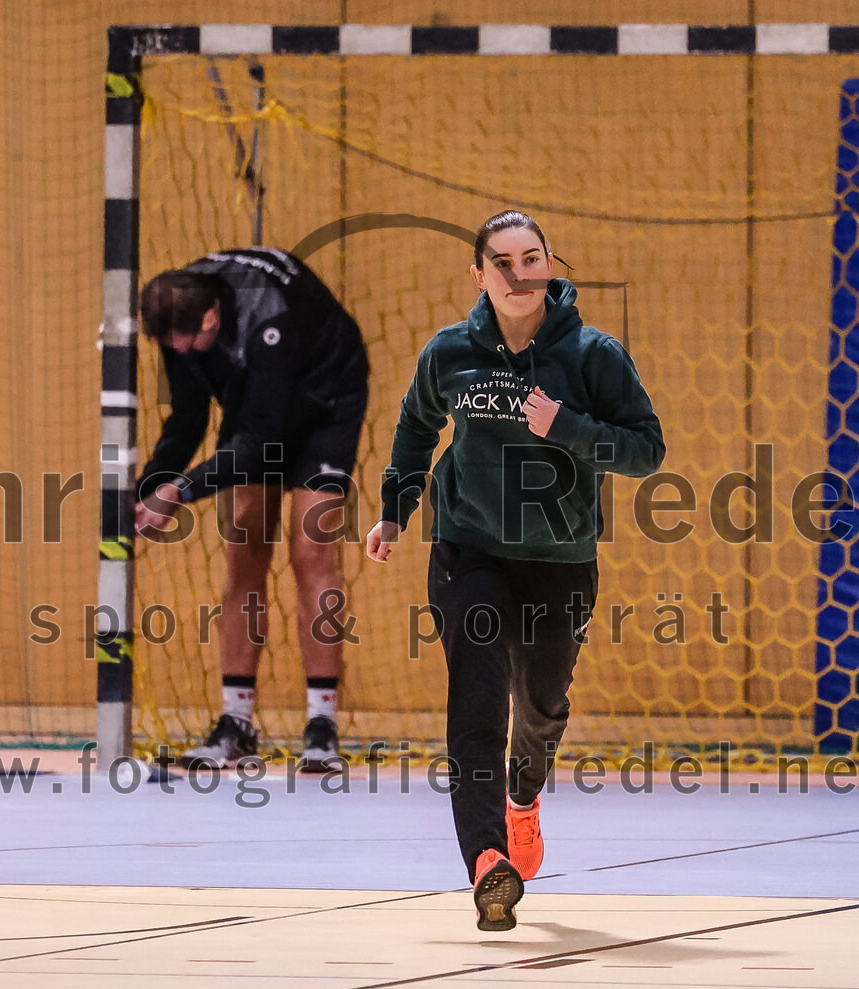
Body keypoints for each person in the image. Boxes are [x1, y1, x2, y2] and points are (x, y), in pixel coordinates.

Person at [366, 210, 664, 930]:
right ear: (480, 275)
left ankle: (522, 800)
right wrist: (396, 508)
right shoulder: (451, 353)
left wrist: (566, 427)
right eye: (503, 261)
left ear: (550, 266)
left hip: (559, 562)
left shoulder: (593, 355)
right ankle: (486, 863)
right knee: (476, 707)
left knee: (541, 707)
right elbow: (415, 426)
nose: (519, 273)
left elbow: (646, 450)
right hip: (467, 551)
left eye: (532, 258)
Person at [136, 247, 369, 773]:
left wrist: (177, 492)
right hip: (257, 401)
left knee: (311, 550)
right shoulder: (177, 316)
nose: (180, 352)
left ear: (213, 317)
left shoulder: (271, 317)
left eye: (189, 342)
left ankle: (322, 726)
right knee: (244, 546)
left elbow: (259, 443)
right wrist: (146, 489)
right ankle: (236, 724)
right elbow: (189, 417)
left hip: (326, 400)